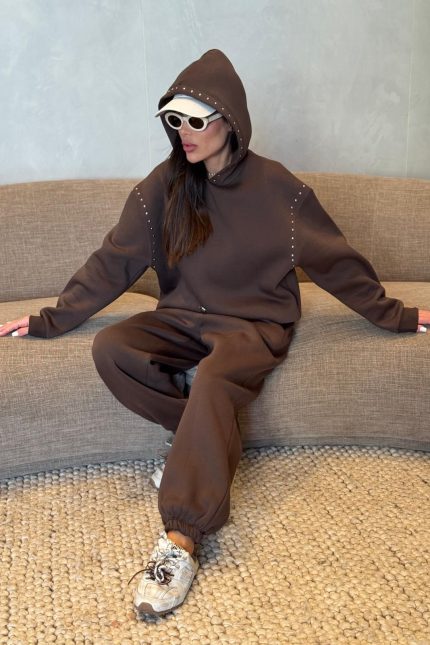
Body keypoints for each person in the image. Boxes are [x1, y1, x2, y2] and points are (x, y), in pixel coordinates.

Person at [1, 49, 429, 618]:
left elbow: (336, 262)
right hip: (183, 318)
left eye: (197, 121)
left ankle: (180, 540)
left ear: (230, 122)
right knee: (114, 347)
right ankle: (198, 445)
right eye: (174, 120)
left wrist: (396, 314)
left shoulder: (280, 191)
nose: (184, 132)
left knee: (214, 379)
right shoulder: (163, 187)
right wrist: (50, 319)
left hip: (253, 323)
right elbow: (113, 261)